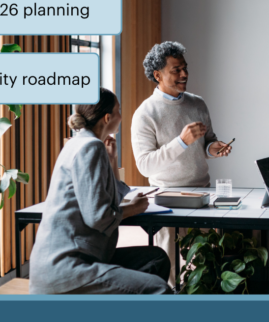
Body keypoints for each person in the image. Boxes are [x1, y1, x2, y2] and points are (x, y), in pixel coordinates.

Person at [29, 88, 171, 295]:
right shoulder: (91, 147)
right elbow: (98, 217)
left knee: (156, 258)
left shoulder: (78, 143)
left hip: (74, 257)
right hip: (69, 267)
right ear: (107, 118)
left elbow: (108, 195)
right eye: (119, 110)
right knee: (158, 288)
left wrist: (111, 160)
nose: (121, 116)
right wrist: (133, 209)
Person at [130, 41, 232, 287]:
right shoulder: (145, 113)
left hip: (203, 194)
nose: (184, 74)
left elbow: (207, 142)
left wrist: (213, 148)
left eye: (184, 68)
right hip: (167, 199)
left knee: (206, 269)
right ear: (158, 75)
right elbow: (145, 165)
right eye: (176, 70)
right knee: (170, 271)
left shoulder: (197, 103)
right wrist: (182, 141)